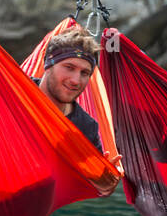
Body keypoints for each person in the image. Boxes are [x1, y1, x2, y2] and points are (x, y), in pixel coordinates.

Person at [34, 28, 123, 195]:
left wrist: (105, 184)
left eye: (84, 73)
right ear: (47, 65)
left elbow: (94, 189)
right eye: (69, 67)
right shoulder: (12, 94)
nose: (76, 80)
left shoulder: (85, 128)